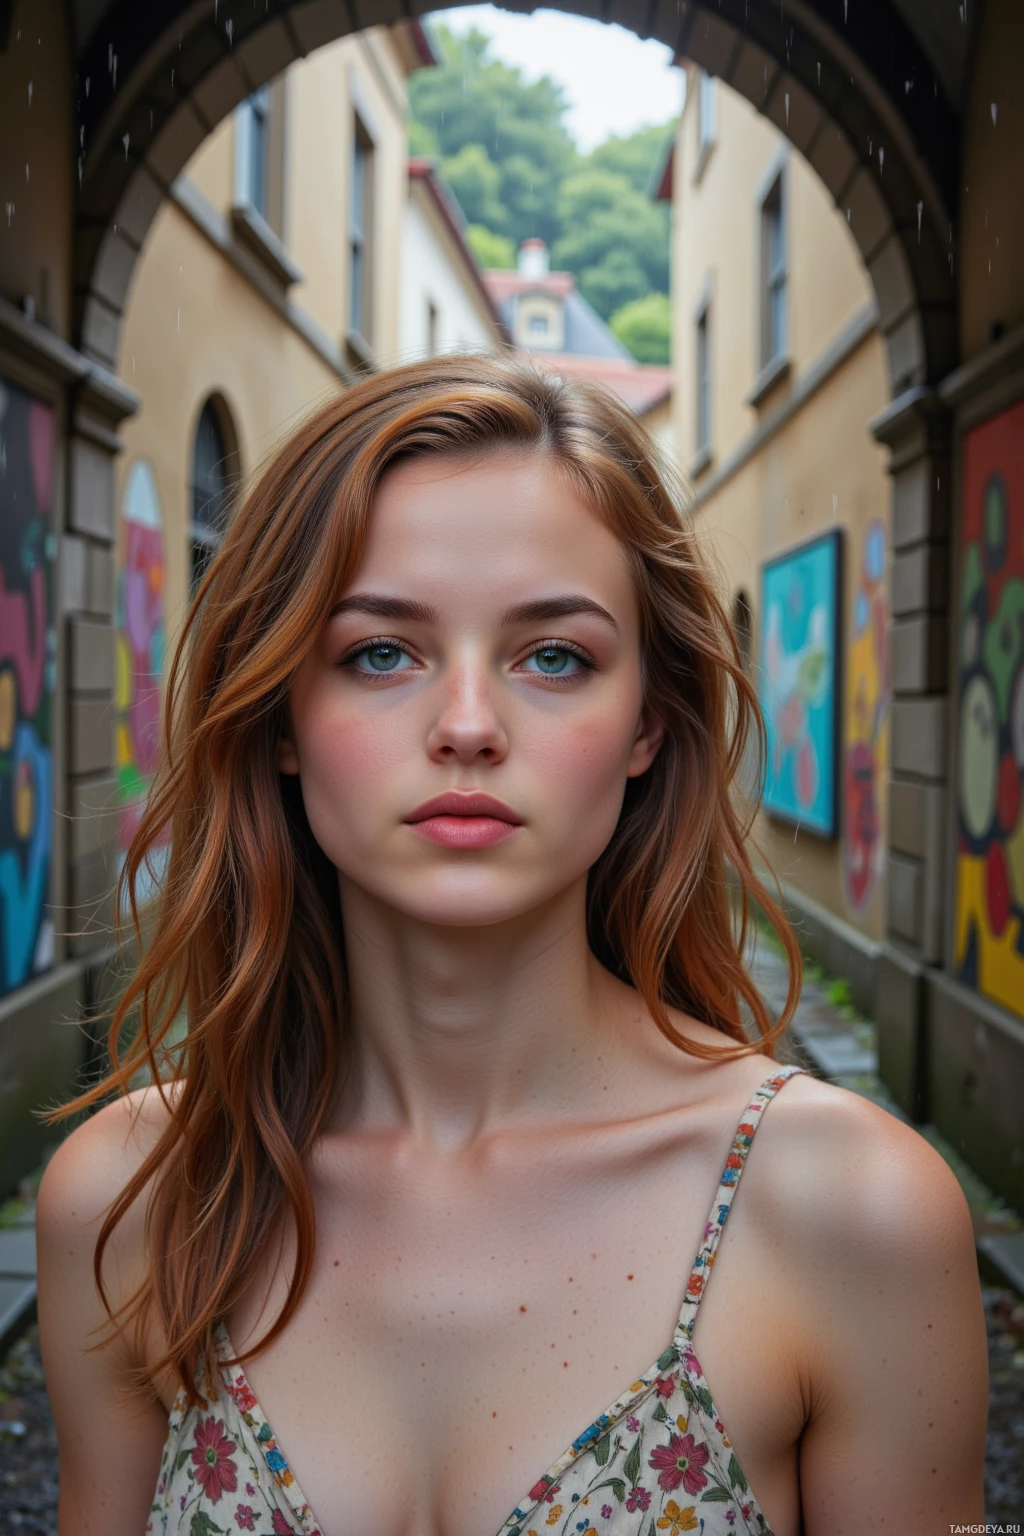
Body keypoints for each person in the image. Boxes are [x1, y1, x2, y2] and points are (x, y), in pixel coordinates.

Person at [35, 355, 987, 1536]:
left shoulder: (849, 1211)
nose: (469, 727)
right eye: (380, 651)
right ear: (281, 716)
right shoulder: (130, 1198)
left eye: (555, 656)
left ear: (647, 722)